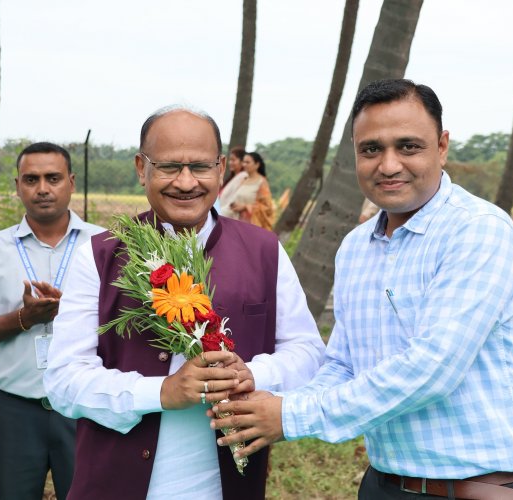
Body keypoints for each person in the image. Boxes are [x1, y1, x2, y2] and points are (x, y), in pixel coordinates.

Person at [213, 79, 513, 500]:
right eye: (371, 149)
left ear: (442, 146)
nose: (389, 165)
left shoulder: (478, 232)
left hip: (483, 488)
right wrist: (267, 403)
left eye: (408, 146)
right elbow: (342, 363)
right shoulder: (356, 247)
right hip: (384, 484)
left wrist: (289, 415)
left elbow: (432, 370)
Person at [43, 105, 324, 500]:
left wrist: (252, 375)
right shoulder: (101, 254)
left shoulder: (264, 250)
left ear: (222, 168)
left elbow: (309, 352)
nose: (186, 182)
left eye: (201, 166)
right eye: (169, 167)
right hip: (112, 485)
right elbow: (63, 379)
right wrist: (163, 392)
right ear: (141, 169)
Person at [0, 142, 104, 500]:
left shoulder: (105, 245)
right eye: (32, 179)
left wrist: (69, 311)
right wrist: (24, 317)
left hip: (86, 408)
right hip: (15, 410)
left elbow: (125, 325)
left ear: (70, 182)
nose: (42, 188)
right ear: (17, 185)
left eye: (53, 178)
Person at [225, 152, 275, 230]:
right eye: (243, 162)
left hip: (251, 226)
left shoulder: (262, 182)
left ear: (257, 164)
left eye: (247, 162)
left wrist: (245, 207)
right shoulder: (243, 180)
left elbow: (267, 207)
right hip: (235, 223)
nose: (244, 164)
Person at [218, 146, 247, 218]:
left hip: (226, 216)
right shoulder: (233, 177)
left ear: (242, 162)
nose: (230, 163)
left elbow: (233, 202)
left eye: (233, 160)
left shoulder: (243, 176)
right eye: (230, 160)